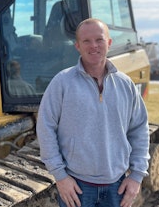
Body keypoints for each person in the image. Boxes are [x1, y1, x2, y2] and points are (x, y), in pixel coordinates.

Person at [36, 18, 150, 207]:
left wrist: (137, 176)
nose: (93, 46)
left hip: (117, 187)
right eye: (86, 41)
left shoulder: (125, 84)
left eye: (99, 39)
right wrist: (60, 176)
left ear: (109, 43)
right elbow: (45, 127)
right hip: (77, 187)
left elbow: (139, 129)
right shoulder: (62, 82)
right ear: (77, 46)